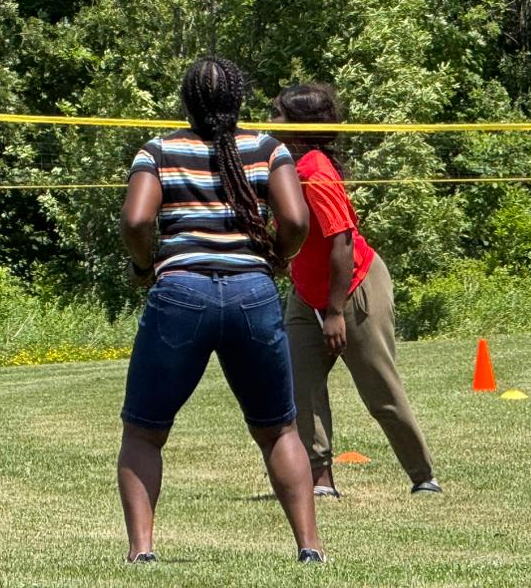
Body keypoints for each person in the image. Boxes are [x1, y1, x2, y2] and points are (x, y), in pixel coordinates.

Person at [117, 56, 324, 564]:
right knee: (278, 428)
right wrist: (277, 257)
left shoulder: (160, 149)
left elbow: (137, 218)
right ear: (237, 100)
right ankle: (309, 548)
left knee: (145, 429)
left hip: (180, 293)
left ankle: (142, 552)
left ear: (187, 100)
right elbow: (296, 219)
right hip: (252, 292)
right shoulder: (266, 148)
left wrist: (146, 265)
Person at [270, 83, 439, 499]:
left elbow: (342, 241)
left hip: (353, 287)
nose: (268, 121)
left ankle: (423, 477)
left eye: (276, 114)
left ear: (298, 126)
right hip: (306, 293)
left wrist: (334, 312)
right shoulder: (282, 165)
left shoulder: (314, 170)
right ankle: (320, 480)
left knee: (378, 387)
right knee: (300, 387)